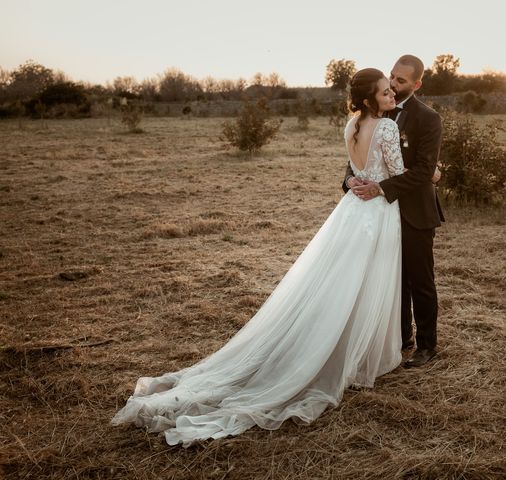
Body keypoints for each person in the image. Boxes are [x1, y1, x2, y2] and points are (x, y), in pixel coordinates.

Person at [112, 68, 406, 447]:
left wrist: (357, 181)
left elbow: (354, 170)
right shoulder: (387, 128)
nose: (391, 97)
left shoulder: (350, 125)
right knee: (370, 279)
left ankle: (346, 347)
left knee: (341, 281)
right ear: (370, 100)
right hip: (377, 210)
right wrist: (430, 173)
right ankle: (361, 356)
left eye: (391, 91)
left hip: (351, 209)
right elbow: (397, 172)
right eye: (385, 93)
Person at [343, 55, 445, 368]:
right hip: (378, 213)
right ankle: (399, 339)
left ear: (417, 84)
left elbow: (424, 170)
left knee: (419, 281)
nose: (395, 86)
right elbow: (355, 161)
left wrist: (383, 188)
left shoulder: (428, 118)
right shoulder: (368, 116)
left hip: (414, 211)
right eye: (391, 79)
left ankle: (427, 346)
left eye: (401, 82)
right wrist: (348, 180)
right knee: (390, 280)